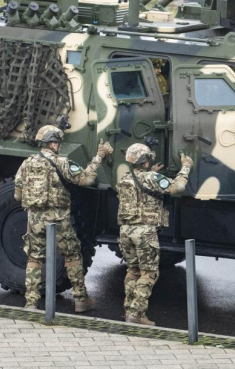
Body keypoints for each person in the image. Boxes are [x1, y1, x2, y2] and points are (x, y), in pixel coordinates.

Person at [14, 125, 113, 311]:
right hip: (58, 218)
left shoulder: (26, 164)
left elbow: (18, 196)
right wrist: (99, 157)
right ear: (52, 144)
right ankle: (81, 299)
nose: (58, 146)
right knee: (72, 255)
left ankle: (31, 303)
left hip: (34, 218)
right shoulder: (62, 163)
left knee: (34, 258)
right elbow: (87, 180)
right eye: (57, 142)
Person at [117, 143, 192, 325]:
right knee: (149, 273)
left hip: (125, 231)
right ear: (145, 161)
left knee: (133, 271)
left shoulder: (124, 178)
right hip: (144, 232)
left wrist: (151, 172)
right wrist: (186, 166)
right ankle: (138, 313)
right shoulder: (153, 178)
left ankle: (129, 311)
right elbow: (177, 188)